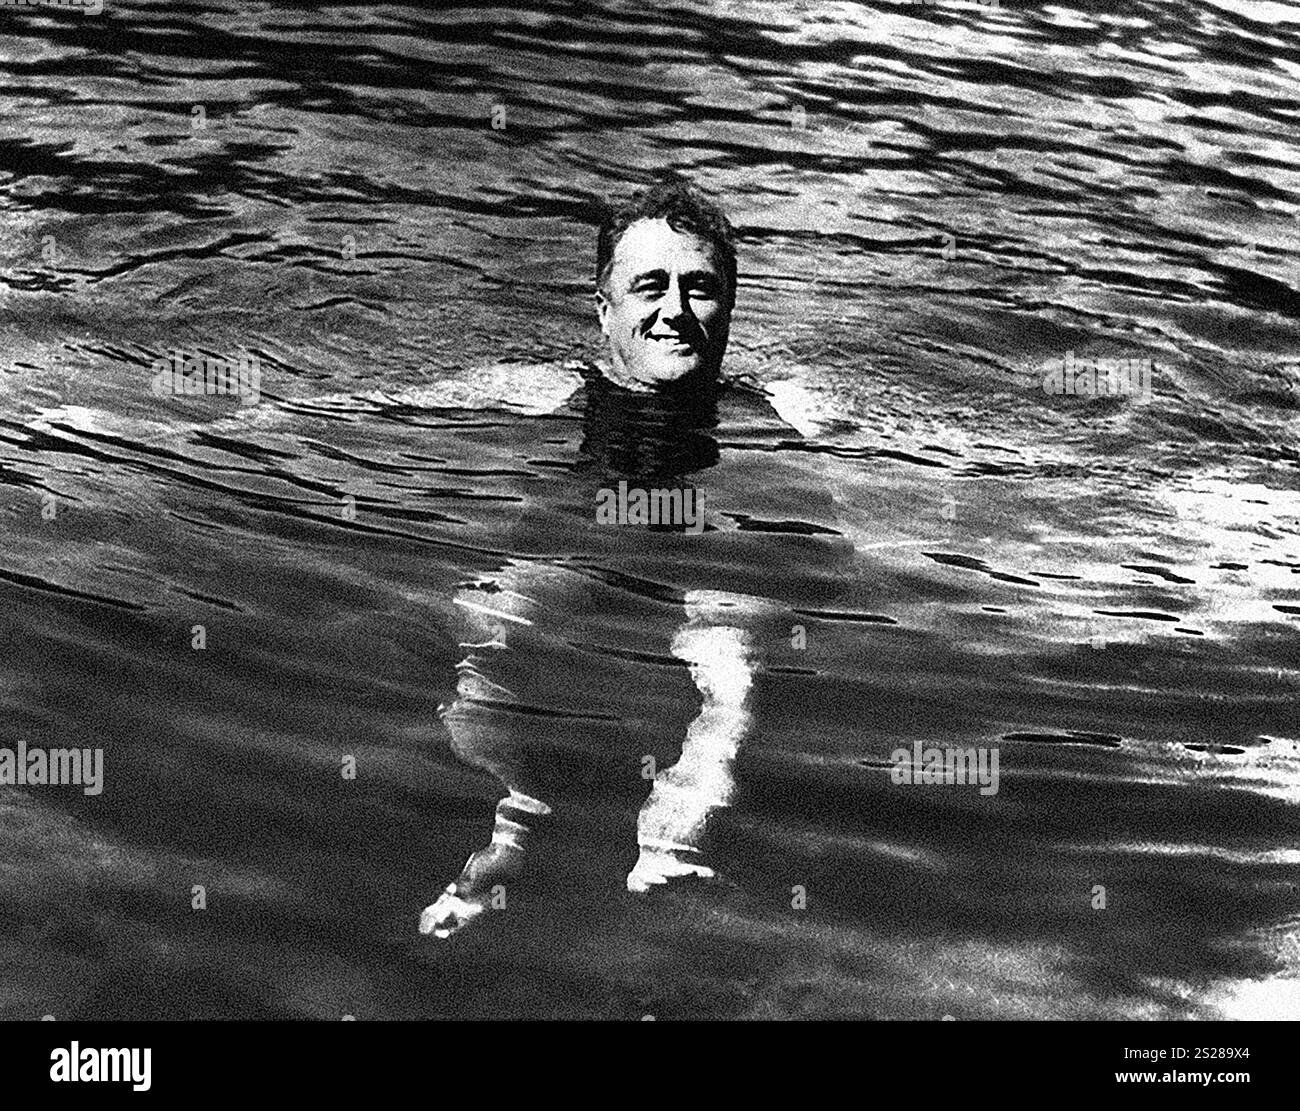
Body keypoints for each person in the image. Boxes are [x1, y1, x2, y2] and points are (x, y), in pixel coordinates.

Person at [418, 175, 848, 939]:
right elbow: (396, 399)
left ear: (731, 306)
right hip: (582, 550)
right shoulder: (551, 386)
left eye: (700, 288)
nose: (676, 310)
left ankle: (671, 838)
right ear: (604, 310)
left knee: (733, 669)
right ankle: (515, 815)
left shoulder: (780, 402)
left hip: (711, 560)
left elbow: (935, 441)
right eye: (651, 286)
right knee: (490, 621)